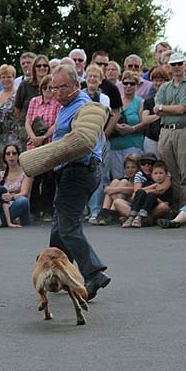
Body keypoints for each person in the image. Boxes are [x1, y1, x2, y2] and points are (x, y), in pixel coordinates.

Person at [40, 64, 111, 300]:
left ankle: (93, 273)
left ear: (75, 85)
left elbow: (81, 140)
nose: (57, 92)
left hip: (77, 172)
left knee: (68, 228)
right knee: (59, 227)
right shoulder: (68, 105)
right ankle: (59, 272)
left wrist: (47, 156)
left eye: (63, 87)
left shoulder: (81, 107)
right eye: (54, 87)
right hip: (73, 172)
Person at [154, 52, 186, 209]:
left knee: (185, 171)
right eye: (174, 64)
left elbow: (182, 109)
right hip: (165, 131)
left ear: (185, 65)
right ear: (169, 67)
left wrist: (163, 108)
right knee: (170, 172)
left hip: (184, 130)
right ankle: (174, 206)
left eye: (180, 63)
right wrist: (165, 109)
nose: (177, 67)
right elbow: (156, 109)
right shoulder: (165, 86)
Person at [123, 159, 173, 228]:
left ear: (166, 174)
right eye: (156, 173)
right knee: (120, 201)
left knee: (152, 196)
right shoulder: (147, 183)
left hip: (154, 208)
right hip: (140, 207)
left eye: (161, 173)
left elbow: (166, 205)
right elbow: (137, 194)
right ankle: (131, 217)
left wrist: (156, 198)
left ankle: (140, 218)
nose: (158, 176)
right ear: (151, 175)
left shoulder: (167, 187)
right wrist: (153, 186)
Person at [0, 64, 21, 149]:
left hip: (15, 140)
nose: (6, 79)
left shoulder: (19, 95)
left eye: (9, 77)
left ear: (14, 78)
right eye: (3, 77)